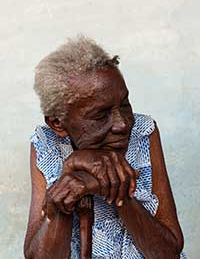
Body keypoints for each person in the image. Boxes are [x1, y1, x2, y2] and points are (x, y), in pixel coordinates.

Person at [24, 36, 186, 258]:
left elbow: (169, 252)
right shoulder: (46, 143)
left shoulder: (142, 132)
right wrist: (69, 176)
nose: (122, 124)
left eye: (125, 105)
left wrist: (115, 189)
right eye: (100, 115)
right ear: (57, 123)